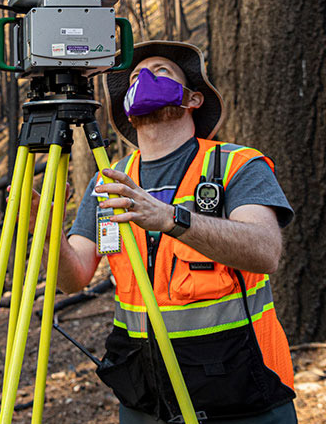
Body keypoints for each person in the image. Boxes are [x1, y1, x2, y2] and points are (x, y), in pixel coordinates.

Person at [52, 40, 297, 424]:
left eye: (160, 71)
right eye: (135, 77)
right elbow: (73, 279)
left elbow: (266, 251)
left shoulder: (236, 165)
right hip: (145, 399)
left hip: (244, 393)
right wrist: (47, 231)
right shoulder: (109, 182)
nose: (144, 78)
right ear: (128, 113)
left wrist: (171, 219)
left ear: (193, 99)